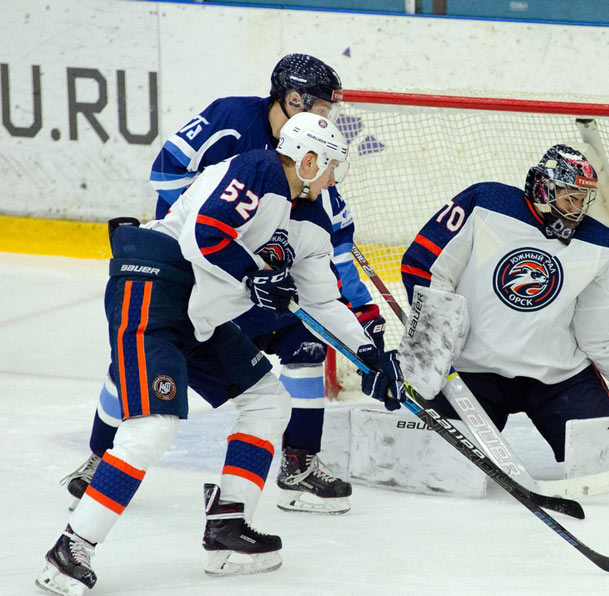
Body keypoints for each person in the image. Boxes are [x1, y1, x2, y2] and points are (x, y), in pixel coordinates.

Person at [37, 112, 404, 595]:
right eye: (332, 165)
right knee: (153, 428)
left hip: (200, 316)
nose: (336, 177)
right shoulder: (258, 169)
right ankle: (70, 550)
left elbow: (322, 301)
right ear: (309, 159)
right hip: (155, 285)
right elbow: (205, 234)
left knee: (268, 401)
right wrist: (254, 274)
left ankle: (228, 525)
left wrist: (369, 355)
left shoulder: (312, 218)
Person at [60, 53, 383, 515]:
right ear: (292, 99)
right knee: (140, 361)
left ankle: (300, 462)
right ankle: (99, 458)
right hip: (195, 270)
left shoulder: (310, 171)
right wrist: (223, 224)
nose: (325, 120)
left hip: (251, 281)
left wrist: (363, 332)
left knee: (305, 340)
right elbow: (168, 175)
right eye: (319, 110)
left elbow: (326, 256)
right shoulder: (232, 119)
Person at [399, 144, 609, 463]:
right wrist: (433, 347)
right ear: (542, 188)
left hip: (558, 378)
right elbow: (424, 265)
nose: (577, 208)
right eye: (569, 196)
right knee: (440, 462)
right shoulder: (485, 203)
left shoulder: (600, 245)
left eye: (582, 199)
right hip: (472, 372)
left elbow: (606, 334)